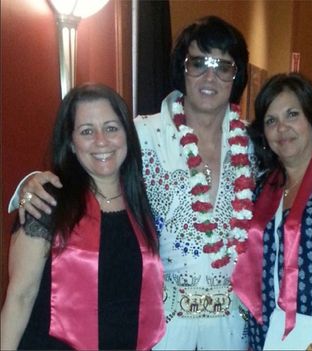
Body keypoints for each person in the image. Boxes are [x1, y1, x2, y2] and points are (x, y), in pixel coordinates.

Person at [7, 17, 255, 350]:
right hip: (164, 324)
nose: (210, 76)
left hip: (229, 326)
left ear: (236, 76)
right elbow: (94, 157)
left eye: (224, 67)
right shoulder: (142, 134)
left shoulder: (253, 146)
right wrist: (29, 184)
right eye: (198, 63)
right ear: (182, 68)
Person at [1, 83, 165, 350]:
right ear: (72, 144)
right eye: (87, 131)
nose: (101, 141)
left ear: (127, 135)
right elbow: (19, 298)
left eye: (111, 128)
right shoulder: (47, 203)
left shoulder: (142, 204)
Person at [232, 73, 312, 350]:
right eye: (271, 121)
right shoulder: (262, 188)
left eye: (292, 115)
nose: (281, 128)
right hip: (268, 335)